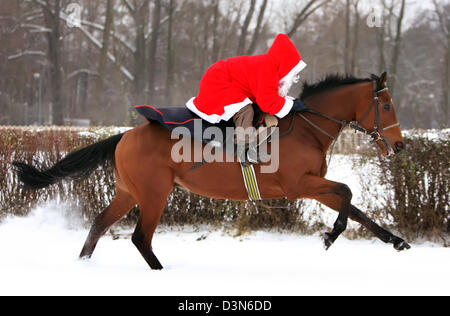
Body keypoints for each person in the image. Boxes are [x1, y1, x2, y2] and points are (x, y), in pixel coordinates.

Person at [186, 33, 307, 165]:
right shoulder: (268, 70)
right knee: (246, 111)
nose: (295, 78)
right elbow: (268, 102)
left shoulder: (270, 68)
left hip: (229, 82)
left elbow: (269, 96)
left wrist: (291, 103)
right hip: (218, 83)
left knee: (261, 113)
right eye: (293, 73)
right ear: (285, 67)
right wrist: (292, 105)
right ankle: (243, 149)